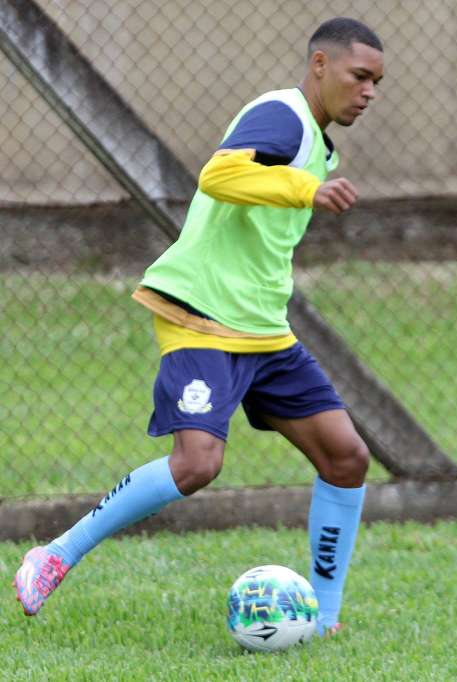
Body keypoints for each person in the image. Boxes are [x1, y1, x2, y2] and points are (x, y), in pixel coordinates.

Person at [13, 17, 385, 638]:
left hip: (264, 332)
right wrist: (307, 190)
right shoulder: (283, 113)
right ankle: (54, 554)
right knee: (197, 464)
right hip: (203, 318)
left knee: (346, 457)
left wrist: (308, 184)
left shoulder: (321, 146)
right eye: (359, 76)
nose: (370, 91)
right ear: (320, 64)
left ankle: (323, 618)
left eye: (377, 81)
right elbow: (219, 174)